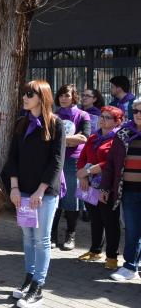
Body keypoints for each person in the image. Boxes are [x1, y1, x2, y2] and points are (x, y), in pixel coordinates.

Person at [3, 80, 65, 308]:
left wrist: (40, 191)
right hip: (24, 190)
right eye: (25, 93)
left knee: (42, 239)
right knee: (28, 237)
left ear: (42, 97)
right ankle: (29, 279)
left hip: (45, 193)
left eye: (30, 94)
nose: (25, 97)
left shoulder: (56, 124)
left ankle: (38, 286)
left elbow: (56, 162)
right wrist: (15, 188)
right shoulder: (21, 122)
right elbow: (13, 158)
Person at [76, 106, 123, 270]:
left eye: (108, 117)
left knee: (110, 221)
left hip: (107, 186)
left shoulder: (118, 139)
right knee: (95, 219)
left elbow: (110, 162)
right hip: (89, 185)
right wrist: (82, 176)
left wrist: (88, 171)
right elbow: (82, 157)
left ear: (118, 121)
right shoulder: (94, 137)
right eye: (102, 116)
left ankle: (112, 257)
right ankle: (95, 250)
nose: (102, 119)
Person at [100, 98, 141, 282]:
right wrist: (106, 188)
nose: (138, 115)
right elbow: (110, 164)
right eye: (136, 111)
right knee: (132, 230)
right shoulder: (124, 133)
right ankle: (130, 267)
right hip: (129, 192)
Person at [51, 84, 90, 250]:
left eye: (66, 95)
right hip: (55, 159)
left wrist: (62, 139)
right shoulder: (53, 115)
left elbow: (85, 137)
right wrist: (71, 138)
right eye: (60, 95)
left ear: (74, 96)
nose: (63, 98)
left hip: (73, 161)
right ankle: (51, 235)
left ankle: (70, 235)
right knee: (54, 198)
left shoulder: (83, 115)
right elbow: (48, 137)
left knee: (71, 201)